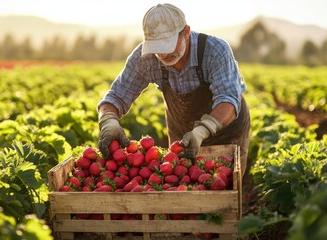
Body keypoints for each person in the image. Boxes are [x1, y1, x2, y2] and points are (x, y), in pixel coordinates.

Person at [97, 3, 250, 177]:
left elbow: (228, 100)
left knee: (223, 186)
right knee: (182, 187)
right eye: (157, 48)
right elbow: (115, 97)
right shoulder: (144, 58)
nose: (162, 55)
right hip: (182, 133)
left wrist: (202, 130)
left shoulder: (215, 50)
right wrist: (108, 120)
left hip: (226, 130)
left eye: (167, 45)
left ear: (186, 32)